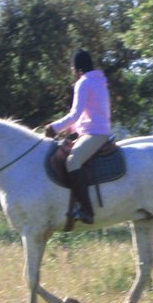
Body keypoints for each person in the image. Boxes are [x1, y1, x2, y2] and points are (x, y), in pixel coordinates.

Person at [47, 49, 111, 223]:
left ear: (77, 67)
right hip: (94, 131)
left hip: (94, 134)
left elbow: (75, 113)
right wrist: (73, 130)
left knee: (72, 161)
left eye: (72, 68)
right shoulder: (99, 81)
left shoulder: (83, 83)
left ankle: (87, 210)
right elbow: (87, 113)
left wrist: (54, 128)